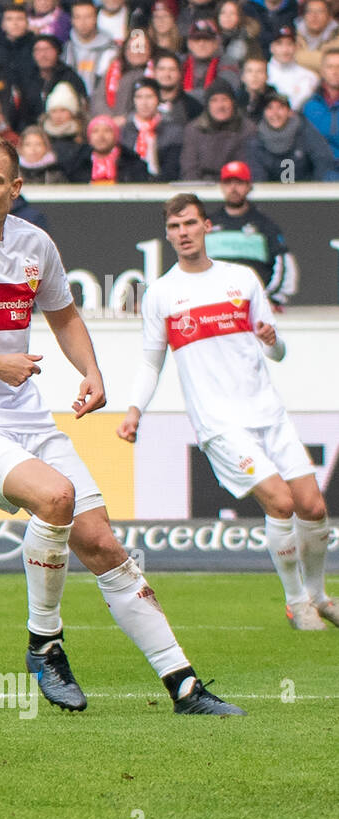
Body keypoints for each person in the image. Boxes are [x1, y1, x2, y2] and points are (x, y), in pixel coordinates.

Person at [0, 135, 246, 717]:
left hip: (26, 417)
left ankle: (183, 685)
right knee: (55, 497)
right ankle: (44, 643)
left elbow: (64, 314)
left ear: (15, 188)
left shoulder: (35, 245)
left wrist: (92, 370)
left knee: (102, 542)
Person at [120, 193, 336, 631]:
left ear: (207, 227)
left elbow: (276, 351)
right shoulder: (162, 293)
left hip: (268, 414)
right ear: (168, 234)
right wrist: (134, 410)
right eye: (175, 227)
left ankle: (319, 595)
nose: (183, 233)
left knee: (312, 507)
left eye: (190, 224)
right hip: (219, 423)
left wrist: (273, 339)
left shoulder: (240, 280)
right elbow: (151, 362)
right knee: (280, 501)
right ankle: (296, 603)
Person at [207, 160, 299, 307]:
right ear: (222, 187)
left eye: (239, 182)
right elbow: (192, 265)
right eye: (228, 182)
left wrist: (271, 300)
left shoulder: (265, 225)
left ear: (249, 186)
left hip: (254, 308)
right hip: (212, 307)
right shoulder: (207, 224)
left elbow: (285, 265)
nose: (233, 188)